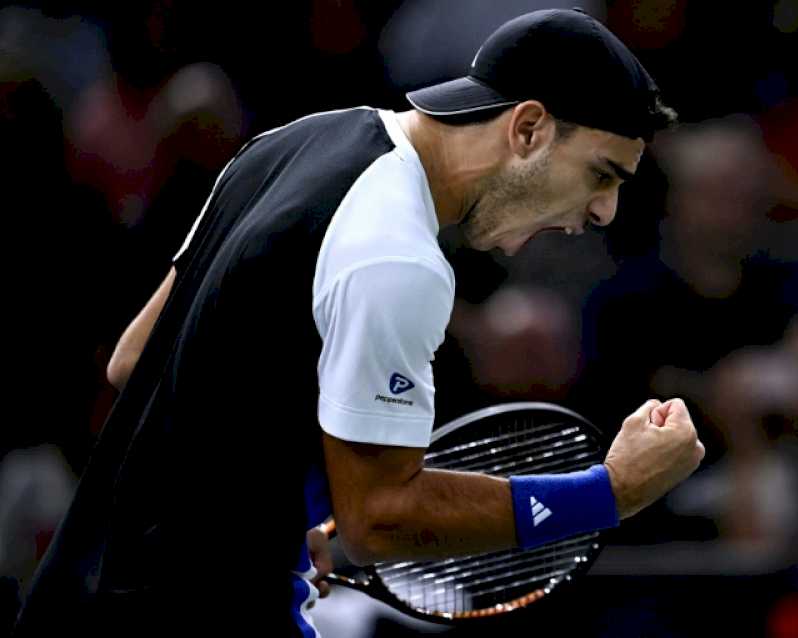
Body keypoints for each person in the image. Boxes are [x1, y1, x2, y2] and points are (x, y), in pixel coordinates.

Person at [14, 9, 705, 637]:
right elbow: (379, 520)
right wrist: (607, 494)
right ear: (527, 129)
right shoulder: (397, 255)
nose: (606, 213)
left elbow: (138, 360)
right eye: (603, 174)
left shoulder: (289, 141)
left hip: (71, 605)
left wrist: (276, 505)